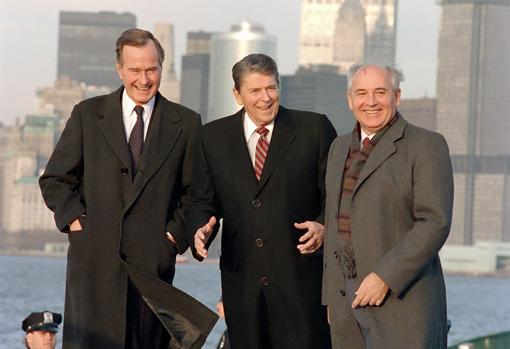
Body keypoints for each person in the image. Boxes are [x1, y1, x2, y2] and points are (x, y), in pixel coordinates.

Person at [39, 28, 217, 349]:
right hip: (94, 265)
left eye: (152, 69)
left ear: (162, 67)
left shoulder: (187, 123)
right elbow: (55, 179)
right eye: (135, 69)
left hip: (152, 269)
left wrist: (173, 237)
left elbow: (197, 193)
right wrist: (79, 225)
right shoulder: (88, 115)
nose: (144, 79)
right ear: (120, 70)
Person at [186, 53, 336, 349]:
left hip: (302, 285)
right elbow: (201, 201)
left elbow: (337, 197)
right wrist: (200, 229)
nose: (265, 98)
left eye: (272, 87)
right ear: (237, 94)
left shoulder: (314, 130)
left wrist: (323, 226)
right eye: (255, 90)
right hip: (242, 287)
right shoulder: (211, 137)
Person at [321, 63, 453, 349]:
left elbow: (434, 222)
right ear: (349, 99)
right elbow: (334, 223)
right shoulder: (338, 148)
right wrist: (332, 296)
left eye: (380, 92)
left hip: (401, 302)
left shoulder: (426, 145)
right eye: (361, 93)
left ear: (397, 96)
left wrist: (385, 277)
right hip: (346, 307)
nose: (370, 102)